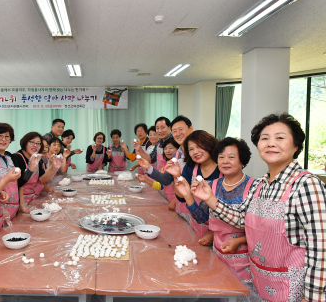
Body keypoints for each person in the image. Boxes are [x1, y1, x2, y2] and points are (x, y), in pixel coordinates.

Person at [192, 113, 326, 302]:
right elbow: (240, 220)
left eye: (280, 138)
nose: (271, 143)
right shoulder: (260, 185)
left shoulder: (306, 184)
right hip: (259, 281)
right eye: (265, 138)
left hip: (292, 291)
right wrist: (210, 198)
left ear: (296, 146)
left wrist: (313, 298)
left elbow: (321, 247)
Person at [180, 137, 255, 286]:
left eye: (231, 157)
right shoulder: (213, 185)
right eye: (221, 157)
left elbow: (258, 229)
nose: (225, 161)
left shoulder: (253, 186)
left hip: (244, 260)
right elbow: (201, 217)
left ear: (242, 161)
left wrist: (239, 240)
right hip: (217, 254)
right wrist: (188, 195)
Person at [139, 130, 221, 243]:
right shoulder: (190, 167)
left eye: (199, 146)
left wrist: (213, 233)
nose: (195, 152)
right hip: (197, 222)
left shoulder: (223, 170)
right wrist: (177, 175)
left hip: (221, 233)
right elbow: (182, 197)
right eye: (191, 149)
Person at [12, 132, 63, 210]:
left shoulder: (36, 157)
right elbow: (18, 184)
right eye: (32, 142)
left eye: (38, 143)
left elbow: (42, 179)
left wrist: (54, 167)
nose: (35, 145)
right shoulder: (17, 158)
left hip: (32, 199)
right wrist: (22, 206)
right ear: (25, 143)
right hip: (18, 202)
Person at [0, 123, 25, 219]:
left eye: (7, 136)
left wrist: (22, 204)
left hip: (15, 208)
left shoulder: (12, 157)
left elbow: (20, 184)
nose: (4, 139)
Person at [136, 138, 179, 203]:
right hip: (167, 200)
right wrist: (146, 179)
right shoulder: (166, 165)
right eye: (165, 149)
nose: (167, 151)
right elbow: (160, 186)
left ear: (178, 150)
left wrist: (174, 202)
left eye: (171, 148)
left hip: (176, 203)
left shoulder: (178, 165)